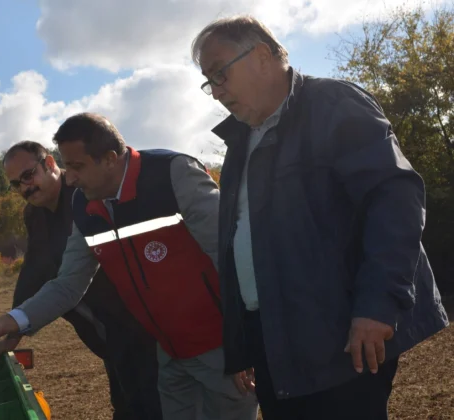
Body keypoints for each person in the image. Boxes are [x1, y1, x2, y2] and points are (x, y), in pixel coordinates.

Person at [190, 15, 450, 420]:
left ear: (261, 56)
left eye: (220, 74)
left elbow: (394, 198)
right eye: (210, 81)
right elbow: (238, 242)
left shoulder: (333, 104)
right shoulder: (240, 140)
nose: (216, 93)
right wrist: (243, 344)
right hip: (276, 339)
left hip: (342, 334)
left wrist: (377, 304)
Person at [0, 112, 259, 420]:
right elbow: (67, 285)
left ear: (110, 159)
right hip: (167, 353)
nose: (70, 178)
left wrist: (242, 342)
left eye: (77, 166)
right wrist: (6, 323)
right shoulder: (84, 206)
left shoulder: (172, 175)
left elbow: (231, 254)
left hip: (219, 350)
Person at [0, 140, 163, 420]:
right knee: (125, 402)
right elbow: (34, 268)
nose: (24, 188)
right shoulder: (35, 214)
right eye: (15, 184)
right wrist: (13, 332)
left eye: (27, 176)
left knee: (151, 405)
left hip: (138, 321)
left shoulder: (85, 196)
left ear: (49, 164)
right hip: (104, 329)